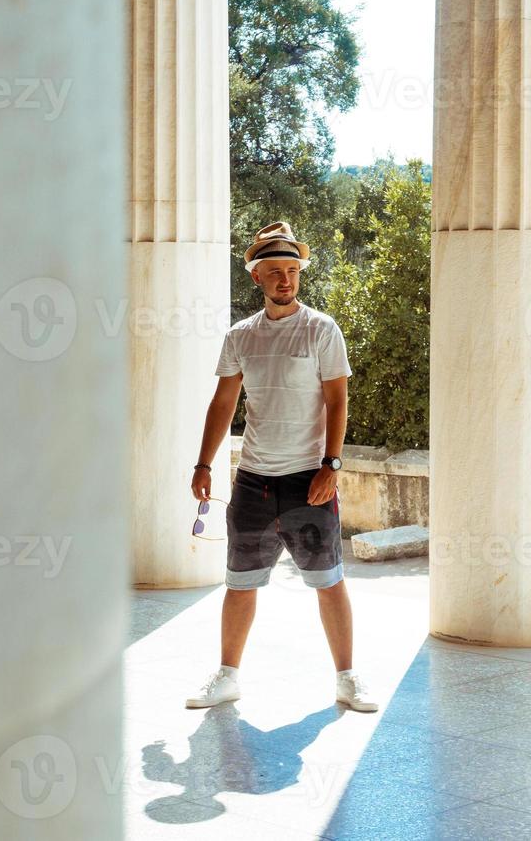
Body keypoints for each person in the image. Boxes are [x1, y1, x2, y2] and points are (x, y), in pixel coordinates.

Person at [187, 220, 378, 713]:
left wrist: (332, 464)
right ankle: (227, 676)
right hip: (252, 482)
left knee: (329, 582)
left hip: (307, 481)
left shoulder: (321, 329)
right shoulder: (240, 336)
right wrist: (204, 464)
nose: (285, 280)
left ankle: (347, 678)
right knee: (240, 584)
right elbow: (223, 403)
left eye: (292, 270)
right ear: (256, 278)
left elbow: (338, 400)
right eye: (274, 271)